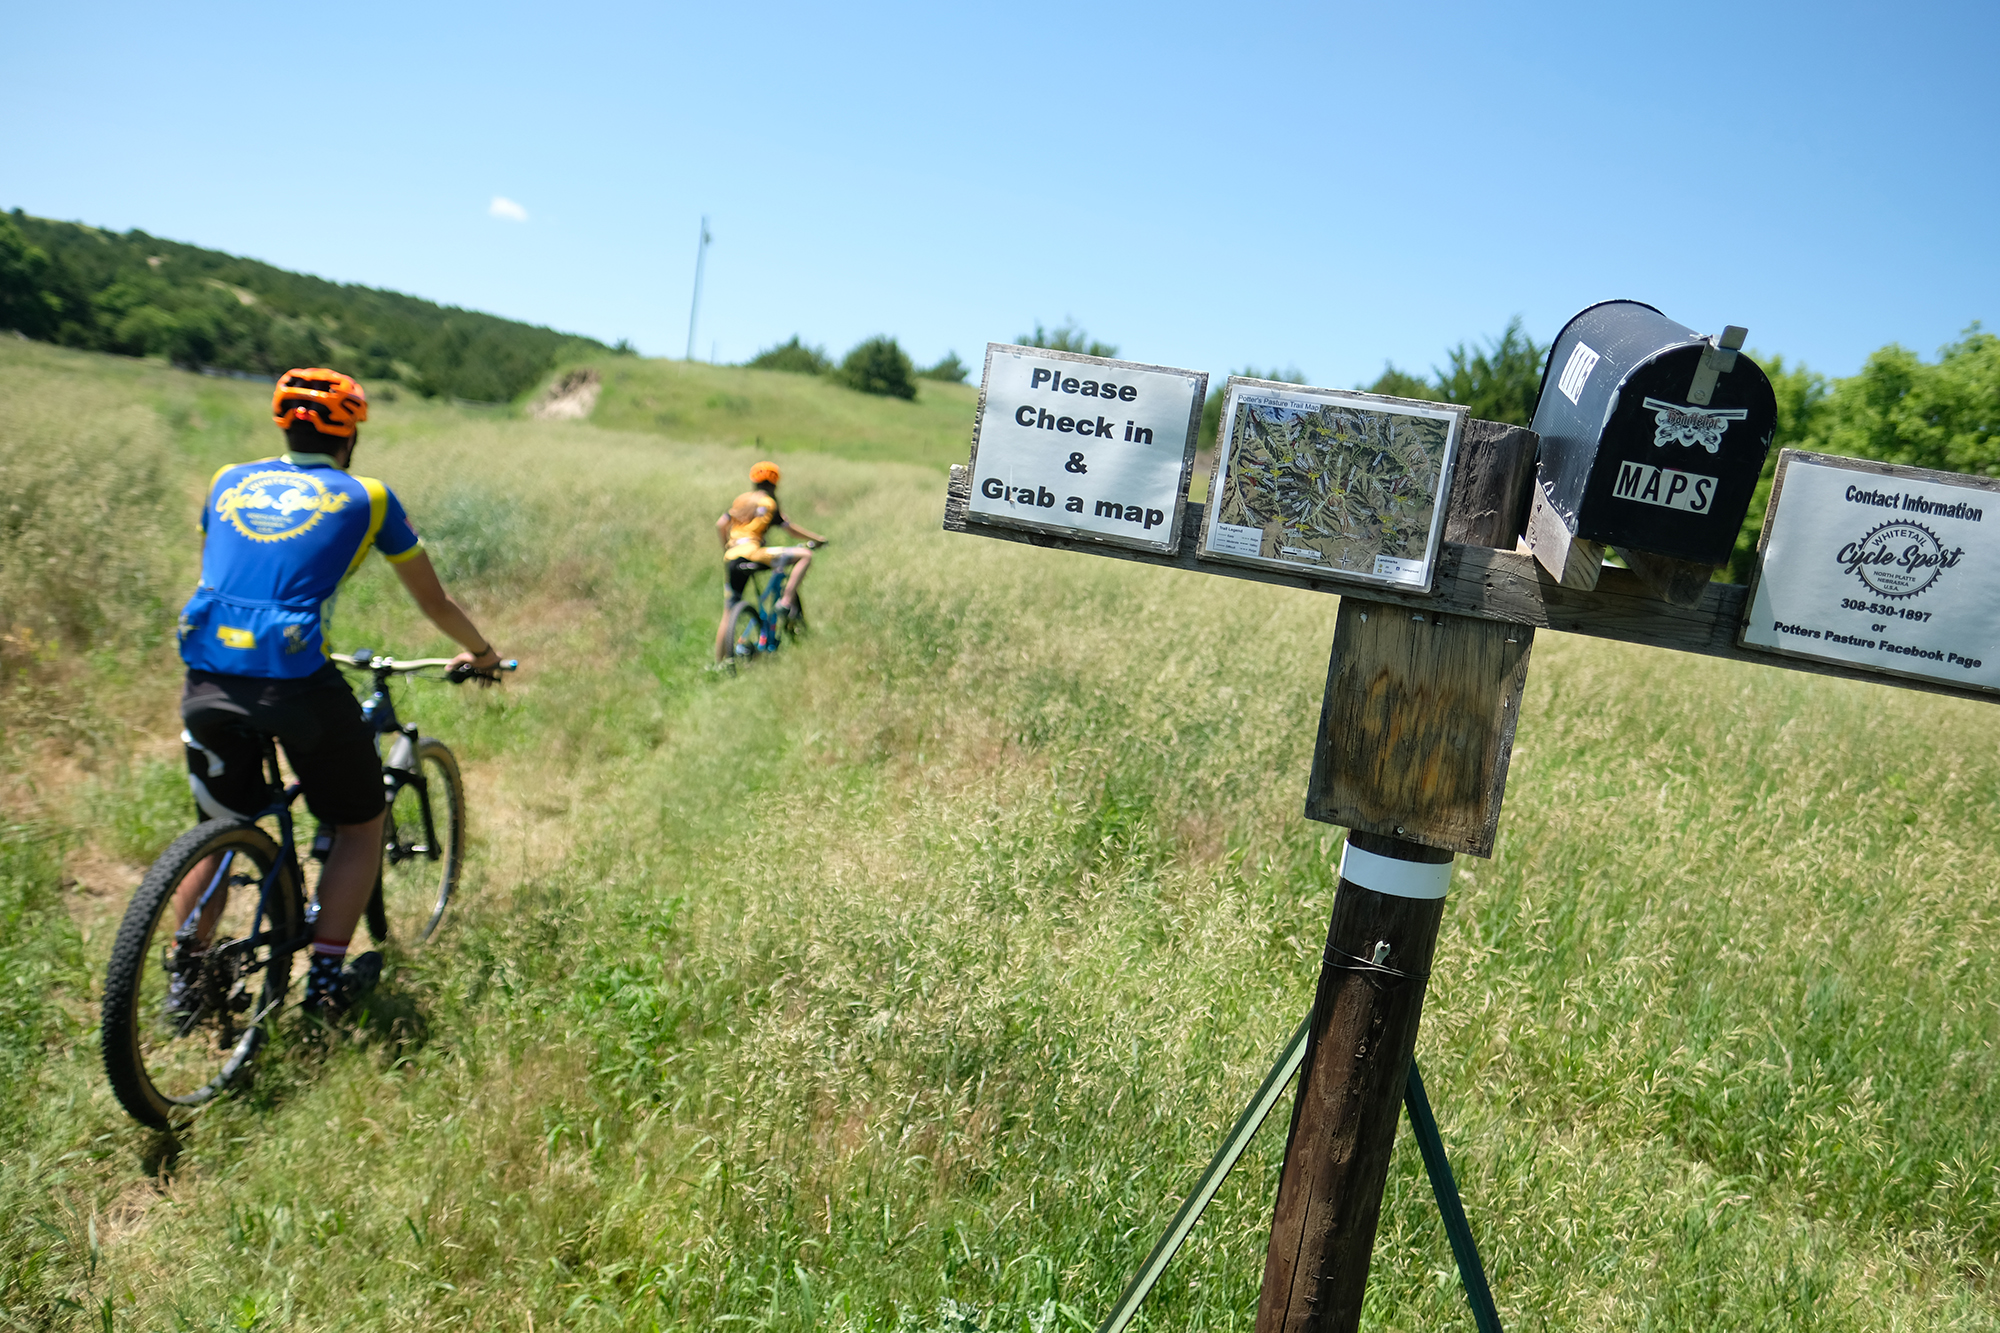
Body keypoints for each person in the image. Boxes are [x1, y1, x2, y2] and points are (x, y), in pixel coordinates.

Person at [173, 367, 504, 1016]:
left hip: (207, 676)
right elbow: (433, 600)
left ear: (283, 424)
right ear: (347, 435)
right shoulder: (367, 496)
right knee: (360, 823)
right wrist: (483, 652)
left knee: (216, 827)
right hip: (295, 681)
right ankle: (324, 986)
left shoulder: (226, 480)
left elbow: (227, 567)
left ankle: (184, 978)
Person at [712, 460, 828, 661]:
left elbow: (721, 524)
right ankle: (785, 600)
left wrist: (726, 547)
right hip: (754, 552)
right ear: (775, 484)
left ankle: (720, 663)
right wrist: (816, 539)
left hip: (732, 556)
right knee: (805, 555)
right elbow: (789, 528)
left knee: (728, 611)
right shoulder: (769, 503)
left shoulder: (742, 500)